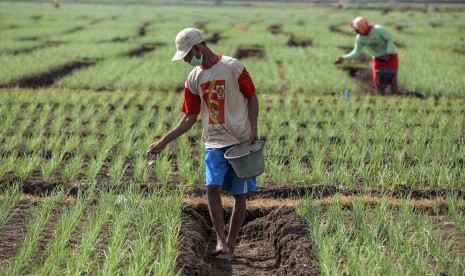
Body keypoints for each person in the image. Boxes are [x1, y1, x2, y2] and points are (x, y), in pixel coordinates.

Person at [146, 28, 259, 260]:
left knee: (239, 194)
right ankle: (220, 240)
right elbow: (189, 117)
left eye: (187, 54)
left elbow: (252, 96)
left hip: (239, 140)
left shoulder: (232, 66)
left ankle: (231, 243)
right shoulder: (193, 78)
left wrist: (253, 129)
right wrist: (164, 141)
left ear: (198, 47)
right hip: (214, 141)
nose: (187, 60)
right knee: (212, 187)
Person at [334, 16, 399, 94]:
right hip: (377, 57)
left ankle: (395, 95)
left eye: (357, 30)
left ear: (362, 27)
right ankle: (382, 96)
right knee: (377, 80)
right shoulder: (360, 38)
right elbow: (356, 53)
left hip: (391, 56)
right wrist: (343, 58)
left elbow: (390, 38)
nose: (356, 32)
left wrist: (389, 51)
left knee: (392, 78)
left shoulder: (378, 29)